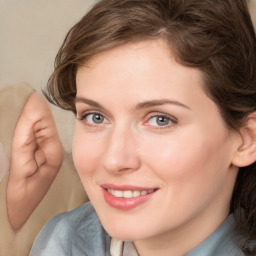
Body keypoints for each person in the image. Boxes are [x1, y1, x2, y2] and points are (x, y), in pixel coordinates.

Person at [30, 0, 256, 255]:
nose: (114, 160)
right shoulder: (63, 240)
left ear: (246, 140)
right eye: (95, 117)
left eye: (161, 120)